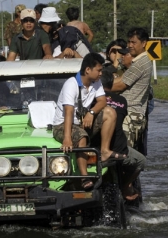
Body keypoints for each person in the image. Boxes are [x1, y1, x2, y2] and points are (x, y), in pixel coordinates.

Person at [52, 52, 125, 191]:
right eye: (98, 70)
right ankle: (84, 177)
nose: (100, 73)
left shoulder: (95, 82)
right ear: (87, 70)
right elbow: (68, 112)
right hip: (63, 125)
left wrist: (91, 113)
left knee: (110, 112)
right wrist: (67, 138)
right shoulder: (71, 84)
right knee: (81, 136)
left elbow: (102, 101)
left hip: (81, 121)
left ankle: (104, 151)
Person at [99, 69, 146, 200]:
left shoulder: (92, 100)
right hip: (119, 149)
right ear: (111, 83)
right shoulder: (121, 100)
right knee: (141, 161)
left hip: (95, 148)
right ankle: (126, 187)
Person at [111, 27, 153, 150]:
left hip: (131, 114)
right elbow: (121, 79)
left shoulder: (140, 63)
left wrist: (96, 87)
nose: (130, 45)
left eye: (133, 42)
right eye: (129, 42)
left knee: (123, 152)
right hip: (126, 111)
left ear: (144, 43)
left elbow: (119, 85)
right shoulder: (137, 62)